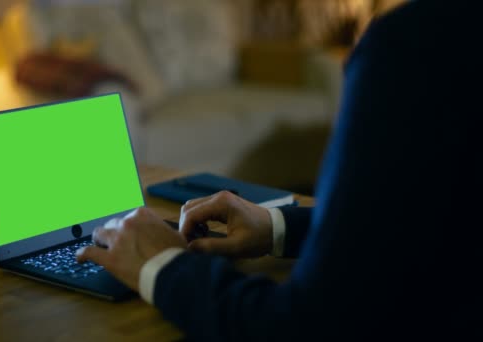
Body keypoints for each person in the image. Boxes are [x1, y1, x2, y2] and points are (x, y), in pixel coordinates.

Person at [76, 1, 482, 340]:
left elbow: (311, 327)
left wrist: (163, 266)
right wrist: (278, 226)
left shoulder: (416, 47)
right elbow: (441, 223)